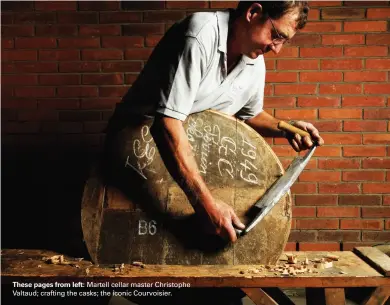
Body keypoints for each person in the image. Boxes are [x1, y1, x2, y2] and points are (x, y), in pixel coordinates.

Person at [105, 1, 324, 304]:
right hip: (135, 158)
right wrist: (206, 203)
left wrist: (284, 126)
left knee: (212, 277)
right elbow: (166, 124)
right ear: (253, 13)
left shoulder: (253, 59)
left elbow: (247, 115)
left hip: (181, 164)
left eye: (284, 41)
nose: (277, 49)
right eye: (277, 35)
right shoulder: (200, 35)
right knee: (151, 281)